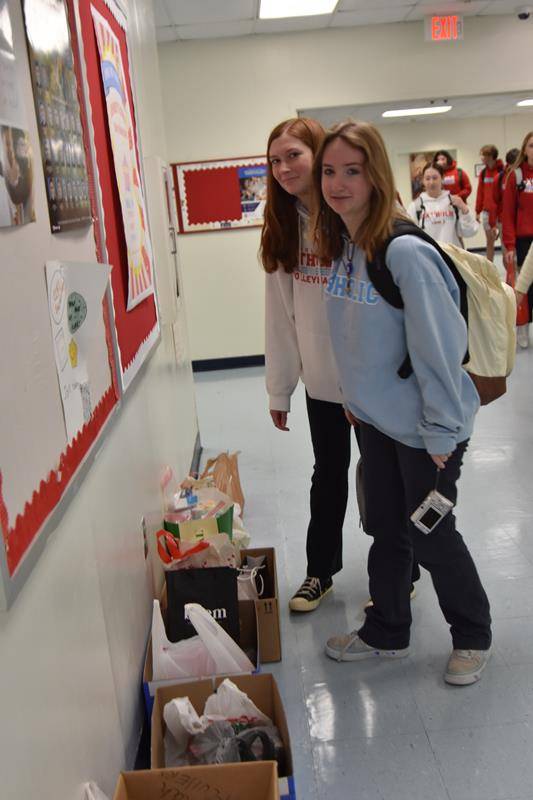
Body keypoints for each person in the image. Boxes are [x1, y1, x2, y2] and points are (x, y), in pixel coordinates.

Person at [312, 120, 492, 686]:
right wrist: (353, 398)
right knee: (387, 529)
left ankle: (473, 635)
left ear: (376, 175)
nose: (338, 184)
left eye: (352, 170)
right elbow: (351, 335)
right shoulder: (346, 246)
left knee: (431, 531)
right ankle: (387, 631)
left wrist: (440, 434)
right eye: (329, 171)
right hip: (377, 422)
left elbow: (439, 350)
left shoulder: (405, 251)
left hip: (427, 429)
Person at [260, 117, 353, 613]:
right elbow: (280, 315)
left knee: (387, 482)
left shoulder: (356, 214)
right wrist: (280, 389)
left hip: (376, 381)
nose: (283, 168)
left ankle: (400, 572)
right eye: (274, 160)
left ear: (318, 154)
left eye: (293, 155)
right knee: (328, 476)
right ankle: (320, 572)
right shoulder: (281, 226)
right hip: (322, 382)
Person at [503, 131, 533, 349]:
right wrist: (509, 245)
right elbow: (508, 213)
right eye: (531, 145)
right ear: (525, 149)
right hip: (524, 240)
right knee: (524, 288)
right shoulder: (517, 175)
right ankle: (522, 328)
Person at [407, 162, 478, 246]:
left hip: (452, 253)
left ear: (442, 178)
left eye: (435, 178)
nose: (431, 182)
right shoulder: (415, 206)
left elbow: (470, 231)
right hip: (428, 253)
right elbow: (410, 236)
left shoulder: (454, 202)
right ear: (423, 180)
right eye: (427, 178)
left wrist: (464, 209)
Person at [475, 145, 504, 263]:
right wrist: (478, 211)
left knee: (504, 244)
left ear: (491, 156)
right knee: (489, 242)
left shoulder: (502, 171)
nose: (481, 158)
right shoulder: (483, 173)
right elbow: (480, 192)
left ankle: (509, 271)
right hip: (487, 212)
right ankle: (490, 268)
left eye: (483, 155)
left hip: (500, 213)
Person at [491, 147, 520, 253]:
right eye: (515, 165)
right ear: (509, 164)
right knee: (508, 253)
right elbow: (494, 203)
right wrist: (493, 224)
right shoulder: (499, 179)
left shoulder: (527, 176)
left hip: (523, 221)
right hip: (504, 221)